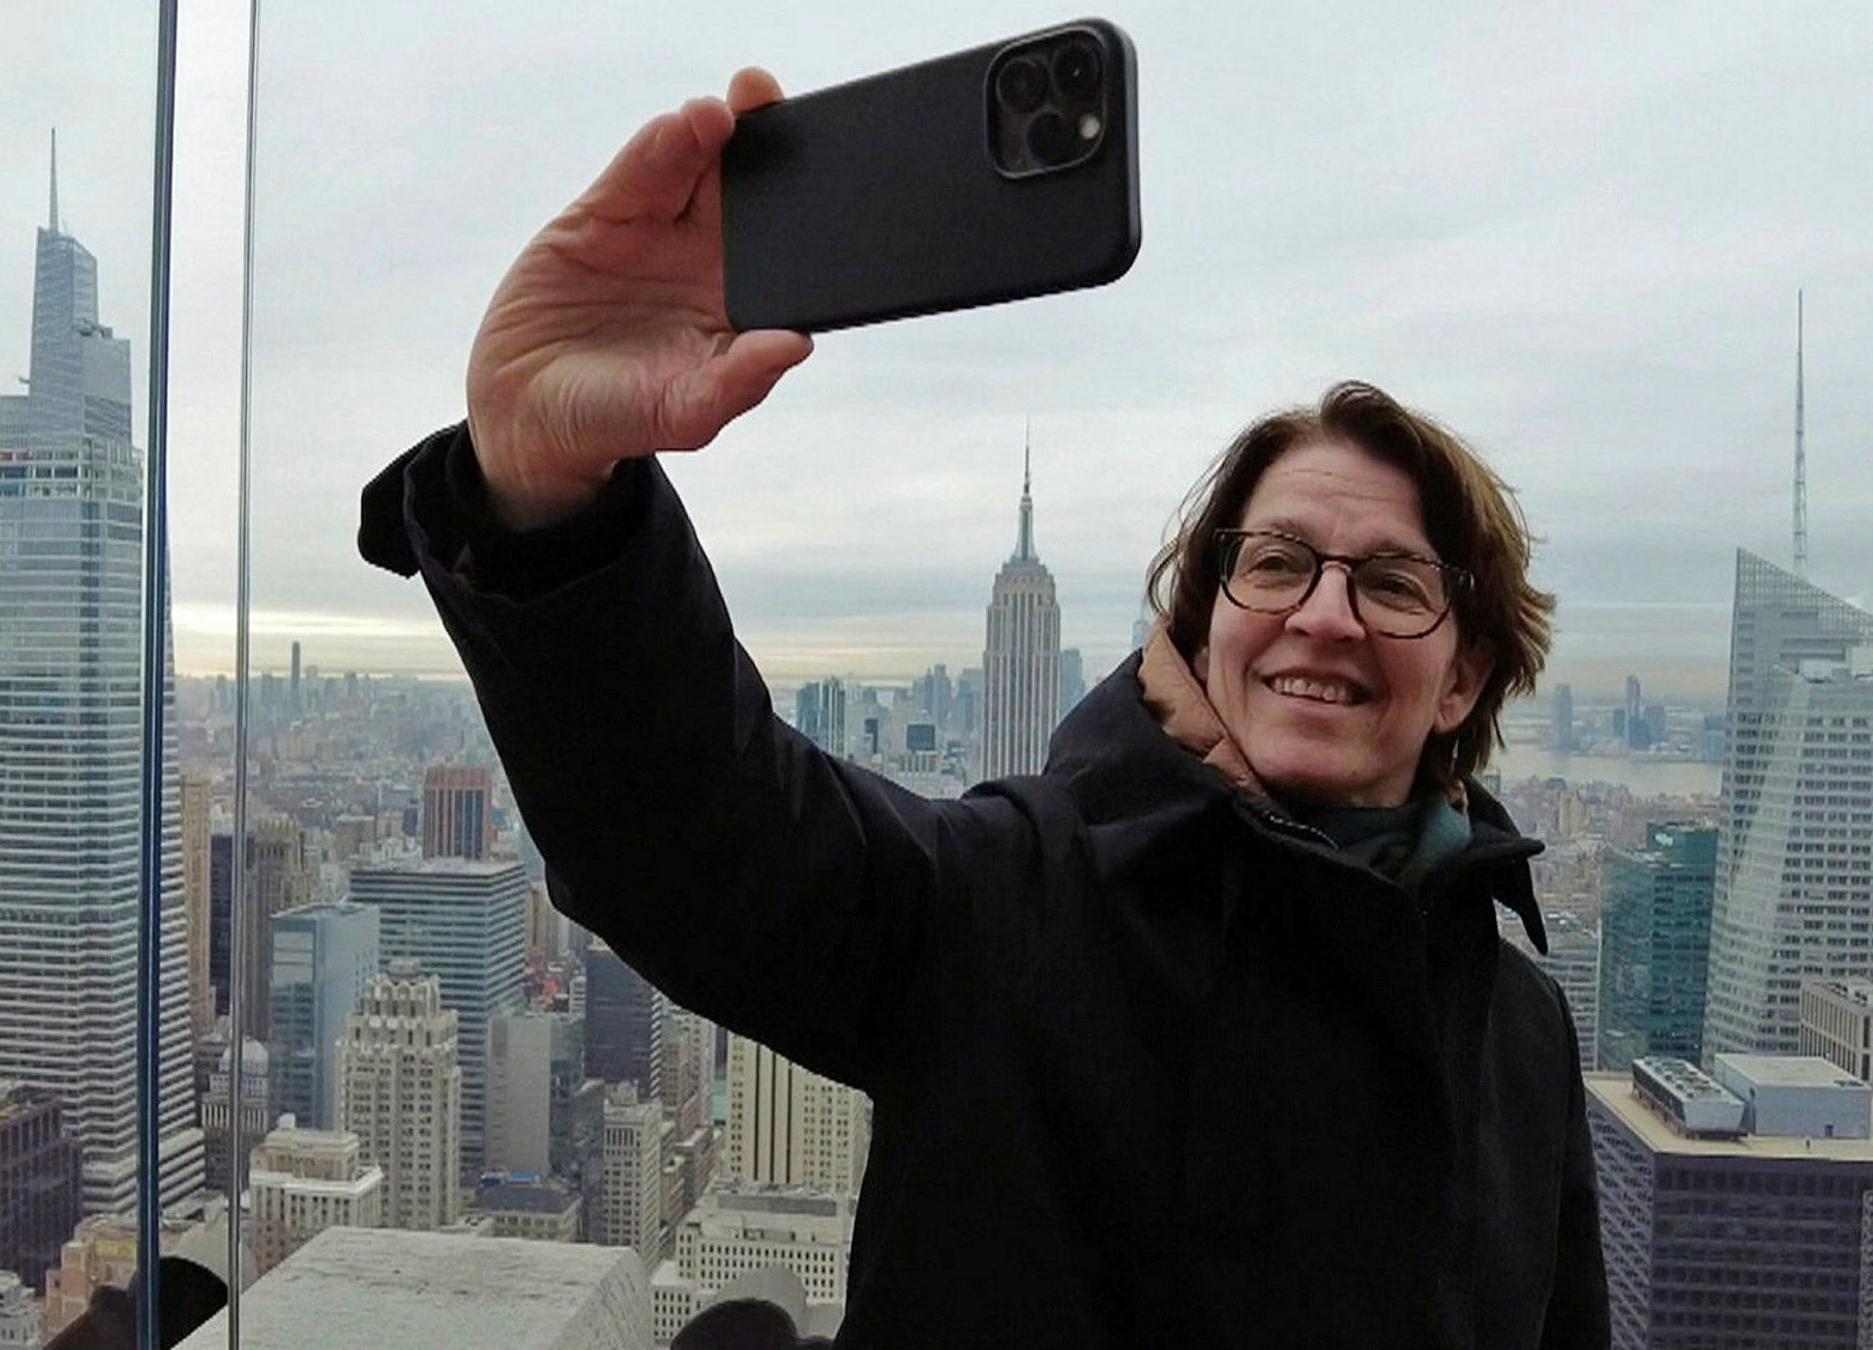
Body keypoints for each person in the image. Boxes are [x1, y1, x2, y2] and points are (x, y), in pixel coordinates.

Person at [359, 68, 1609, 1349]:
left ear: (1463, 673)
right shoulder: (1017, 905)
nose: (1325, 614)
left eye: (1392, 582)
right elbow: (697, 835)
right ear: (1201, 626)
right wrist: (545, 490)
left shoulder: (1518, 1031)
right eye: (1276, 563)